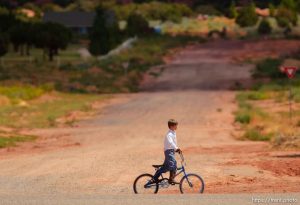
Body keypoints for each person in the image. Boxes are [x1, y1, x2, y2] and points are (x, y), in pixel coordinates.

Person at [152, 119, 182, 185]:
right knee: (173, 164)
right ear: (171, 126)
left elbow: (173, 143)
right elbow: (171, 142)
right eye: (175, 126)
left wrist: (176, 150)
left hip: (171, 151)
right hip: (168, 152)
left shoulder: (173, 132)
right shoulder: (169, 134)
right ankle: (171, 179)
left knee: (167, 166)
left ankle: (155, 177)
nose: (177, 127)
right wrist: (176, 148)